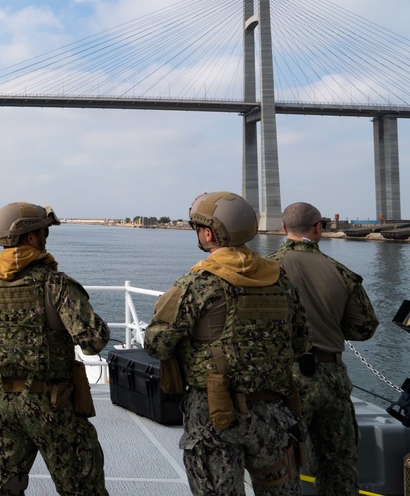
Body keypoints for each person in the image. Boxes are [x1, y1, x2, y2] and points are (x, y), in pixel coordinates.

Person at [145, 191, 311, 496]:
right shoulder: (282, 281)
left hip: (215, 414)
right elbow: (300, 343)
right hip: (274, 411)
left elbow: (156, 344)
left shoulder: (198, 284)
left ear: (208, 233)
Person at [0, 202, 110, 496]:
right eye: (43, 231)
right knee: (83, 486)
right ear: (30, 237)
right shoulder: (55, 285)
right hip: (53, 407)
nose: (45, 237)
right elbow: (93, 341)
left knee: (3, 487)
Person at [268, 202, 378, 495]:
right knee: (338, 466)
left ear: (283, 228)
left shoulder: (266, 270)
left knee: (281, 465)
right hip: (332, 377)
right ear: (319, 227)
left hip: (286, 380)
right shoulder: (341, 272)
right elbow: (365, 328)